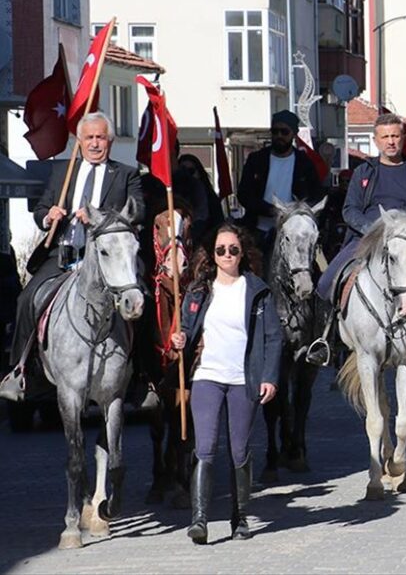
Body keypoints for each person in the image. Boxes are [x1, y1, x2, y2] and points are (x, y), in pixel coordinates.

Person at [1, 112, 143, 402]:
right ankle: (22, 371)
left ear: (110, 141)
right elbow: (40, 209)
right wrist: (48, 215)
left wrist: (99, 219)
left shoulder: (126, 174)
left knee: (142, 302)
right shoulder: (62, 173)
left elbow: (138, 210)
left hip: (107, 261)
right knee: (26, 299)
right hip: (63, 253)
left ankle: (142, 376)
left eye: (100, 137)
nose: (94, 144)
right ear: (79, 142)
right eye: (89, 138)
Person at [170, 223, 281, 544]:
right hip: (207, 376)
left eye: (233, 249)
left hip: (243, 378)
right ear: (213, 255)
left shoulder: (258, 291)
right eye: (221, 250)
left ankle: (240, 518)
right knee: (204, 448)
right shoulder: (199, 290)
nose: (227, 255)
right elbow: (187, 331)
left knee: (240, 450)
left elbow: (273, 338)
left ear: (243, 251)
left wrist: (270, 377)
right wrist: (180, 339)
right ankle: (199, 520)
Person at [309, 114, 406, 370]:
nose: (391, 142)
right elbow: (350, 210)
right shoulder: (364, 172)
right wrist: (373, 230)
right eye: (385, 137)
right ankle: (326, 340)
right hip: (365, 239)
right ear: (376, 140)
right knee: (326, 283)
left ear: (403, 138)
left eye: (395, 136)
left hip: (405, 242)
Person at [236, 110, 325, 249]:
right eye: (275, 131)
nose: (279, 136)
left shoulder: (304, 163)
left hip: (294, 232)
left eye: (284, 132)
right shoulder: (256, 159)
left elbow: (316, 195)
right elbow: (243, 194)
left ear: (293, 134)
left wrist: (295, 213)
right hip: (259, 228)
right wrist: (271, 210)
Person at [176, 153, 226, 244]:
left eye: (190, 171)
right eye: (182, 170)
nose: (187, 175)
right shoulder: (174, 196)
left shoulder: (211, 199)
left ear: (199, 172)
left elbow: (218, 225)